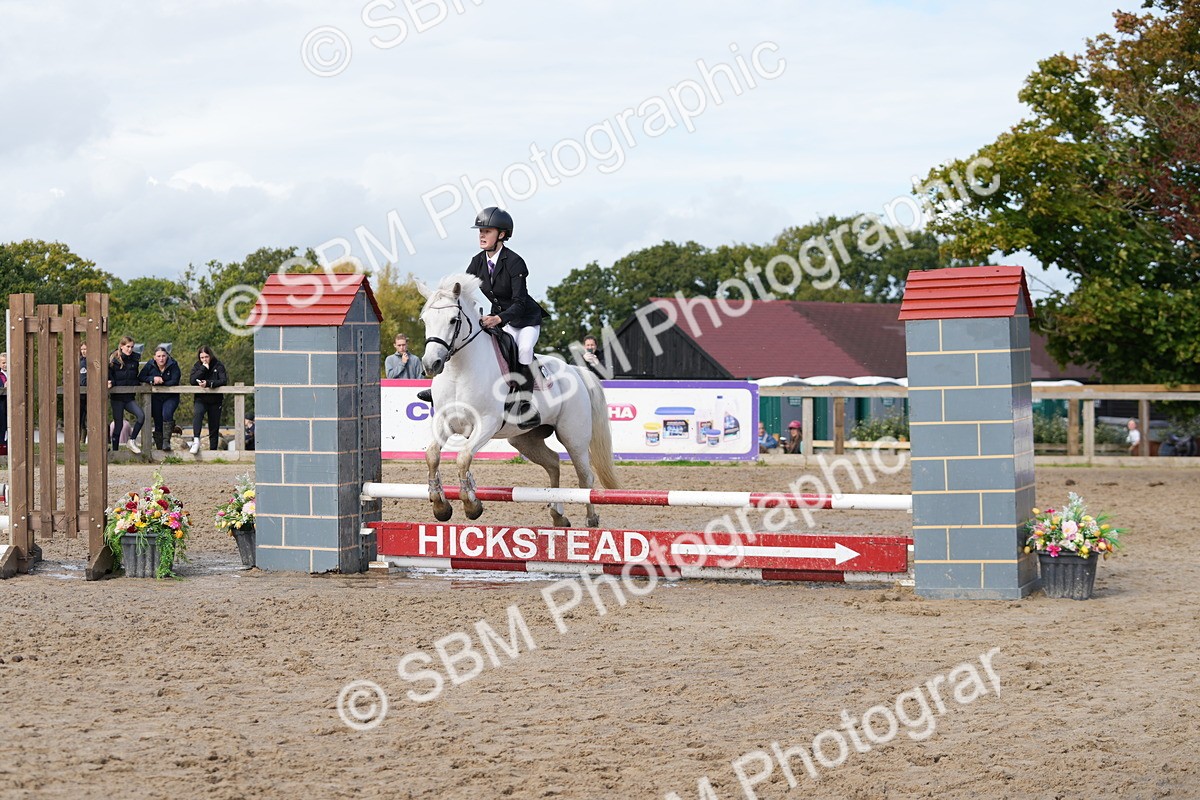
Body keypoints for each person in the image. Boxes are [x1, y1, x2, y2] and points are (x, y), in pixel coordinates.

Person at [139, 345, 182, 451]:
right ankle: (159, 448)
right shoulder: (150, 364)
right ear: (154, 357)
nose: (161, 358)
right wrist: (152, 379)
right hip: (156, 397)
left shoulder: (173, 364)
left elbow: (175, 380)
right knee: (158, 420)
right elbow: (141, 377)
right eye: (159, 356)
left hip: (170, 396)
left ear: (167, 356)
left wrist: (161, 381)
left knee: (167, 414)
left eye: (163, 356)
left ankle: (166, 442)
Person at [107, 336, 145, 453]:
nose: (130, 349)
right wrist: (110, 382)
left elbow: (135, 376)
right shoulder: (114, 359)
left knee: (141, 416)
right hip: (117, 397)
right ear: (122, 346)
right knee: (118, 425)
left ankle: (132, 440)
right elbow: (109, 375)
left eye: (132, 347)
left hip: (129, 397)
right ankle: (115, 451)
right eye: (127, 347)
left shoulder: (135, 360)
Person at [188, 345, 228, 454]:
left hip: (215, 400)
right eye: (202, 357)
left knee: (214, 425)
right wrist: (203, 368)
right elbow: (192, 380)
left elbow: (223, 380)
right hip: (201, 398)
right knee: (198, 414)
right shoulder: (197, 366)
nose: (204, 359)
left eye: (206, 357)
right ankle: (196, 440)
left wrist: (209, 383)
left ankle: (213, 451)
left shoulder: (218, 365)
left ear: (210, 355)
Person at [0, 352, 8, 456]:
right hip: (1, 406)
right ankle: (2, 451)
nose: (5, 365)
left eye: (7, 362)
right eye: (3, 362)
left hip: (11, 406)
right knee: (2, 428)